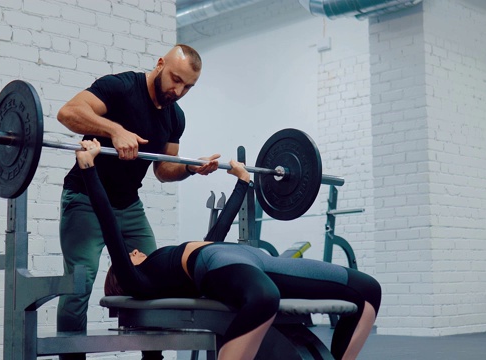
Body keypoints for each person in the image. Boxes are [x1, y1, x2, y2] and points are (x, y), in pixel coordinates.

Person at [77, 139, 382, 360]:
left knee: (367, 289)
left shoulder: (159, 262)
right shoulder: (135, 279)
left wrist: (244, 183)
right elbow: (109, 226)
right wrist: (89, 168)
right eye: (128, 255)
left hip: (253, 259)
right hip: (221, 264)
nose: (133, 250)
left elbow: (216, 236)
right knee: (264, 299)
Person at [56, 45, 218, 360]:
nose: (178, 90)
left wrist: (190, 168)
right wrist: (114, 131)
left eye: (187, 86)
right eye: (175, 79)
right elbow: (69, 112)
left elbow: (163, 169)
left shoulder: (175, 116)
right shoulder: (120, 87)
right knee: (79, 284)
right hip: (85, 198)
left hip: (128, 205)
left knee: (154, 279)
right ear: (160, 64)